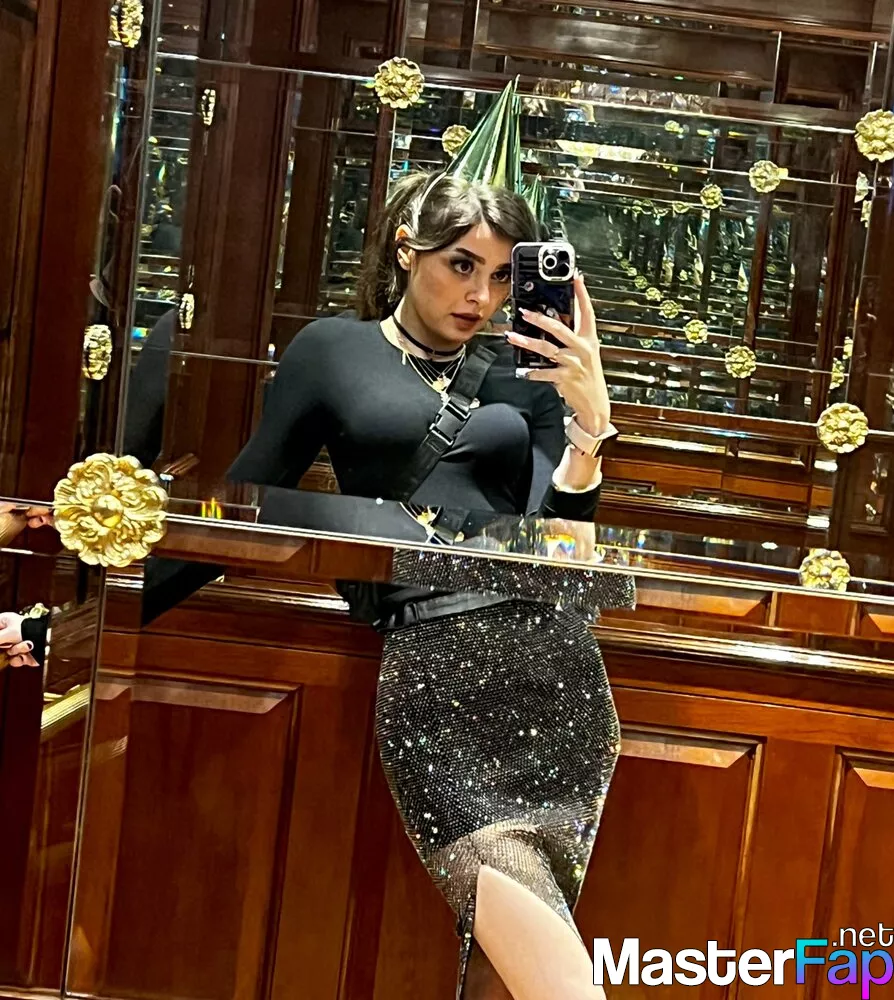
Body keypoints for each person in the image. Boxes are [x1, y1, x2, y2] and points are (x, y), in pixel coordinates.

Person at [229, 171, 628, 1000]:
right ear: (408, 249)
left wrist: (589, 426)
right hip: (436, 679)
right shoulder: (331, 351)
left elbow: (561, 549)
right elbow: (244, 504)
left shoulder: (528, 372)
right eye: (461, 265)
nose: (481, 296)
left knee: (508, 976)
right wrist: (88, 608)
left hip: (557, 676)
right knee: (556, 980)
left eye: (502, 276)